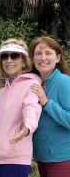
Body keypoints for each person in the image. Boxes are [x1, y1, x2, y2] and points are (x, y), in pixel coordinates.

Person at [0, 38, 42, 177]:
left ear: (24, 61)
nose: (9, 60)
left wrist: (27, 127)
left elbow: (32, 107)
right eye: (4, 56)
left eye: (14, 56)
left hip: (14, 160)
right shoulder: (2, 91)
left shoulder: (32, 84)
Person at [29, 36, 70, 177]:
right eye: (38, 53)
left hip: (62, 158)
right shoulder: (34, 82)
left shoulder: (65, 82)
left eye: (48, 53)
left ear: (58, 58)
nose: (43, 58)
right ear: (33, 59)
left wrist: (46, 102)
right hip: (42, 157)